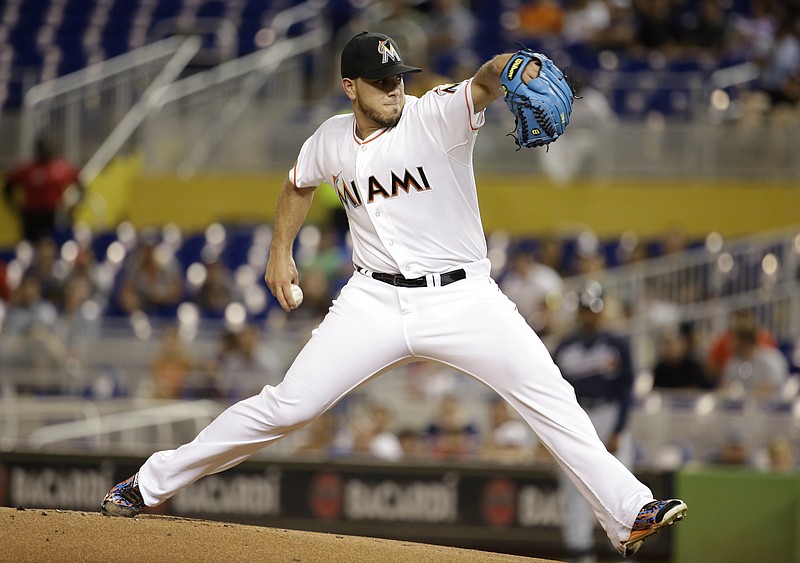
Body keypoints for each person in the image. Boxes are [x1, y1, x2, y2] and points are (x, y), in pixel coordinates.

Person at [101, 31, 686, 557]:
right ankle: (148, 485)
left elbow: (485, 79)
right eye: (381, 82)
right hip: (372, 301)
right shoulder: (329, 138)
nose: (394, 89)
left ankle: (629, 512)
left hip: (463, 297)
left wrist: (516, 68)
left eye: (399, 78)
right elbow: (296, 184)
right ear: (349, 87)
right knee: (288, 407)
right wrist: (281, 250)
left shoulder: (435, 117)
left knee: (549, 392)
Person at [550, 284, 637, 563]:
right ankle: (580, 553)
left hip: (609, 414)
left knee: (621, 487)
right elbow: (552, 391)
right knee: (574, 489)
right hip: (576, 417)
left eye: (594, 310)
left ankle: (627, 551)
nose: (590, 316)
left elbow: (626, 389)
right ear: (579, 312)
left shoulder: (617, 343)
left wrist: (619, 429)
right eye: (586, 310)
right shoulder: (565, 346)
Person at [3, 135, 84, 243]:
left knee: (56, 243)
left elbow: (81, 186)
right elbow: (8, 187)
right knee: (30, 246)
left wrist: (75, 205)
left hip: (53, 215)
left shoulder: (62, 167)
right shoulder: (27, 169)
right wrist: (16, 207)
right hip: (32, 216)